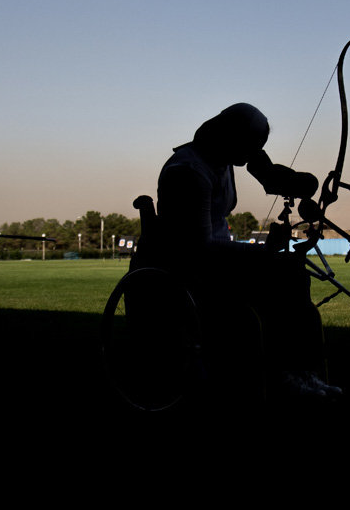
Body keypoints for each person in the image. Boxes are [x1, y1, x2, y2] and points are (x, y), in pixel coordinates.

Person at [140, 102, 339, 401]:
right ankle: (285, 373)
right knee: (286, 274)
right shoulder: (189, 171)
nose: (250, 157)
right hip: (188, 268)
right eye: (251, 146)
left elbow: (266, 173)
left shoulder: (222, 158)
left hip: (214, 260)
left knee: (292, 272)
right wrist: (263, 252)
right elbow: (199, 249)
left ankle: (300, 371)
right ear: (231, 138)